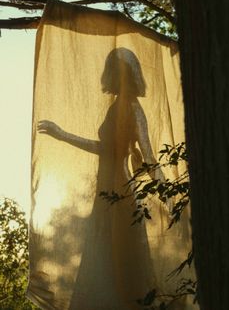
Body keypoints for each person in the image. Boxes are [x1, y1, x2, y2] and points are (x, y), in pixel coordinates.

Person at [38, 48, 164, 310]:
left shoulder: (131, 107)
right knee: (105, 260)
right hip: (106, 190)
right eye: (114, 69)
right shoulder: (118, 105)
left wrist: (168, 194)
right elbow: (108, 149)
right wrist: (61, 135)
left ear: (131, 74)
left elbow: (148, 155)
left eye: (122, 71)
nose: (117, 75)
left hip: (120, 192)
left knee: (124, 263)